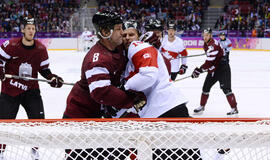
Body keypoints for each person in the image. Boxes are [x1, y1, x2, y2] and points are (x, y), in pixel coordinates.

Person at [62, 11, 146, 160]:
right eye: (119, 29)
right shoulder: (97, 59)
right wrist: (130, 100)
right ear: (106, 32)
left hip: (99, 115)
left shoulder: (117, 47)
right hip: (81, 116)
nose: (123, 32)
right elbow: (101, 92)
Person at [120, 19, 201, 159]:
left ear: (138, 36)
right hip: (157, 112)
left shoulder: (138, 47)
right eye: (124, 35)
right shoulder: (127, 57)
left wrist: (125, 87)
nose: (127, 38)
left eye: (131, 34)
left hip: (165, 108)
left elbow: (149, 76)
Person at [0, 17, 64, 160]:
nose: (31, 31)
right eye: (28, 28)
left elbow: (45, 70)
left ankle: (35, 150)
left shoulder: (41, 49)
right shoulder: (10, 45)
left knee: (38, 122)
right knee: (3, 124)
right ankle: (1, 151)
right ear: (23, 30)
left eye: (33, 28)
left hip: (31, 91)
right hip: (10, 91)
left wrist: (52, 78)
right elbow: (0, 61)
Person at [192, 28, 238, 115]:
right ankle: (202, 106)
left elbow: (209, 62)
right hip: (214, 68)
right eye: (204, 35)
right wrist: (205, 67)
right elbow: (211, 60)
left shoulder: (213, 45)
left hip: (223, 68)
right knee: (206, 87)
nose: (205, 37)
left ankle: (234, 108)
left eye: (207, 35)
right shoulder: (207, 44)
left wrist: (199, 70)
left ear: (211, 36)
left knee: (226, 89)